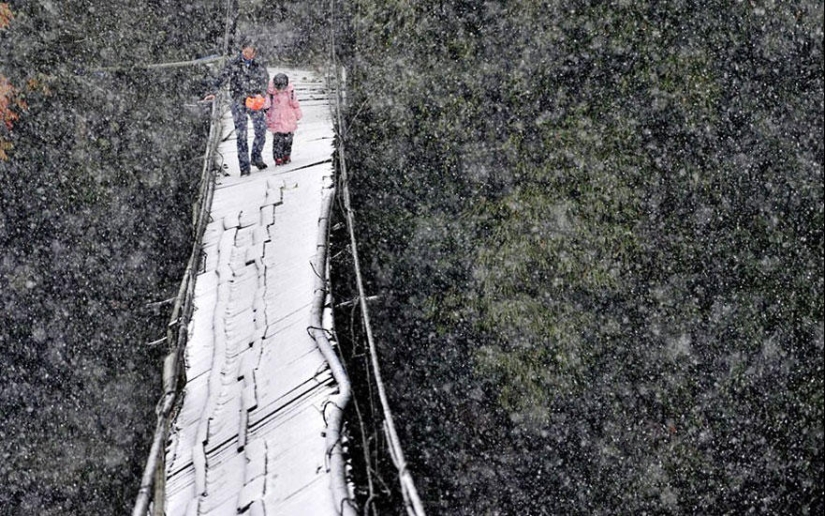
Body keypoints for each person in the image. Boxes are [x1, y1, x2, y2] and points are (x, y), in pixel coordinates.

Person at [203, 39, 269, 176]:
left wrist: (261, 94)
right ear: (242, 51)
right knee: (241, 134)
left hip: (254, 100)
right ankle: (244, 168)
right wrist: (212, 92)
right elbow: (222, 78)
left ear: (255, 53)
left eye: (251, 52)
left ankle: (256, 157)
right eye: (245, 52)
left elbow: (265, 80)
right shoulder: (234, 64)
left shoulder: (259, 64)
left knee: (261, 129)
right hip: (238, 100)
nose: (248, 55)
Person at [264, 73, 302, 165]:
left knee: (288, 139)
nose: (280, 90)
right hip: (276, 118)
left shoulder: (290, 92)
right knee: (278, 140)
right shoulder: (270, 93)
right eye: (279, 87)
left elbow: (295, 103)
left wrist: (298, 114)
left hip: (289, 117)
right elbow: (266, 105)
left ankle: (286, 155)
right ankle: (278, 158)